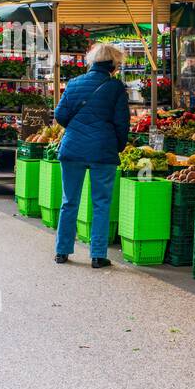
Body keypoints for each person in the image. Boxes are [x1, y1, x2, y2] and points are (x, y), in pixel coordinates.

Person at [53, 42, 129, 268]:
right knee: (101, 204)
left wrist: (76, 129)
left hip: (72, 148)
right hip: (103, 151)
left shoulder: (74, 83)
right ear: (113, 65)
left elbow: (60, 115)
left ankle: (62, 251)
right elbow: (121, 122)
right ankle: (97, 255)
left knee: (69, 201)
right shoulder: (115, 87)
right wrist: (118, 145)